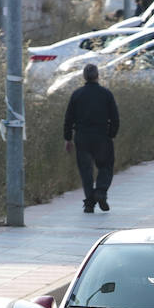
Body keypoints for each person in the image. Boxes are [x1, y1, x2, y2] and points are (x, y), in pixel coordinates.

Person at [63, 63, 120, 212]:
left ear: (84, 76)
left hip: (82, 137)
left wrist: (68, 138)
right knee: (106, 166)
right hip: (102, 136)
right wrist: (111, 135)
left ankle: (89, 203)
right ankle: (100, 192)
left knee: (86, 171)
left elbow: (68, 119)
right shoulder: (106, 94)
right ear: (97, 76)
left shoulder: (77, 94)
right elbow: (115, 118)